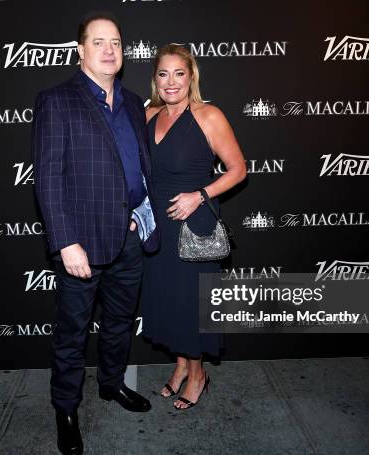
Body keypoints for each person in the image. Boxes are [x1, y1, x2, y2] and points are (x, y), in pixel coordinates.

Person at [31, 13, 159, 455]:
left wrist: (143, 215)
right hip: (82, 243)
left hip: (129, 237)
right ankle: (65, 410)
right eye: (99, 42)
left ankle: (111, 385)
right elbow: (48, 178)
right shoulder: (57, 100)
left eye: (116, 42)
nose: (109, 49)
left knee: (120, 324)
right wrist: (66, 242)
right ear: (81, 50)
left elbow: (139, 168)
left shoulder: (134, 102)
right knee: (72, 333)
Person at [142, 44, 247, 410]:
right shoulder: (149, 114)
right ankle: (181, 365)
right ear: (155, 78)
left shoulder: (208, 115)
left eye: (179, 73)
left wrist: (199, 195)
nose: (171, 82)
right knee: (169, 302)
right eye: (163, 73)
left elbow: (238, 169)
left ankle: (198, 375)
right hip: (158, 226)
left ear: (191, 76)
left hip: (193, 226)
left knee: (190, 305)